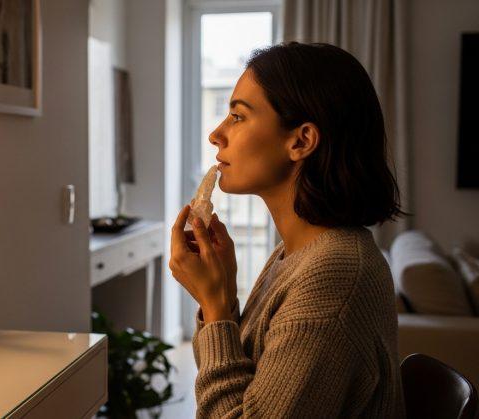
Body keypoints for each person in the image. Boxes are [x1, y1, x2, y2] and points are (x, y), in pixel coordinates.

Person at [170, 42, 406, 418]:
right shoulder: (296, 253)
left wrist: (215, 309)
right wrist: (223, 295)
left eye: (238, 116)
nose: (216, 134)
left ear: (301, 141)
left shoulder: (334, 275)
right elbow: (246, 384)